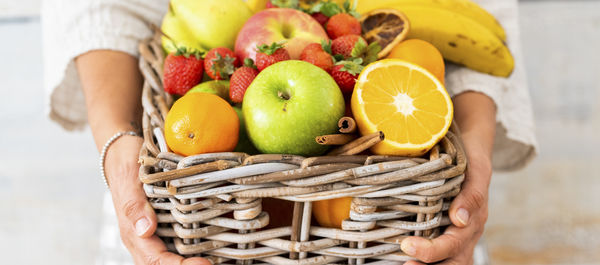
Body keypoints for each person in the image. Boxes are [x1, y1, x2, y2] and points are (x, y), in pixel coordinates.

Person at [42, 0, 537, 264]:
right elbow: (99, 9)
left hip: (399, 201)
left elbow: (482, 14)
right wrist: (115, 142)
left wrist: (474, 148)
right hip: (195, 210)